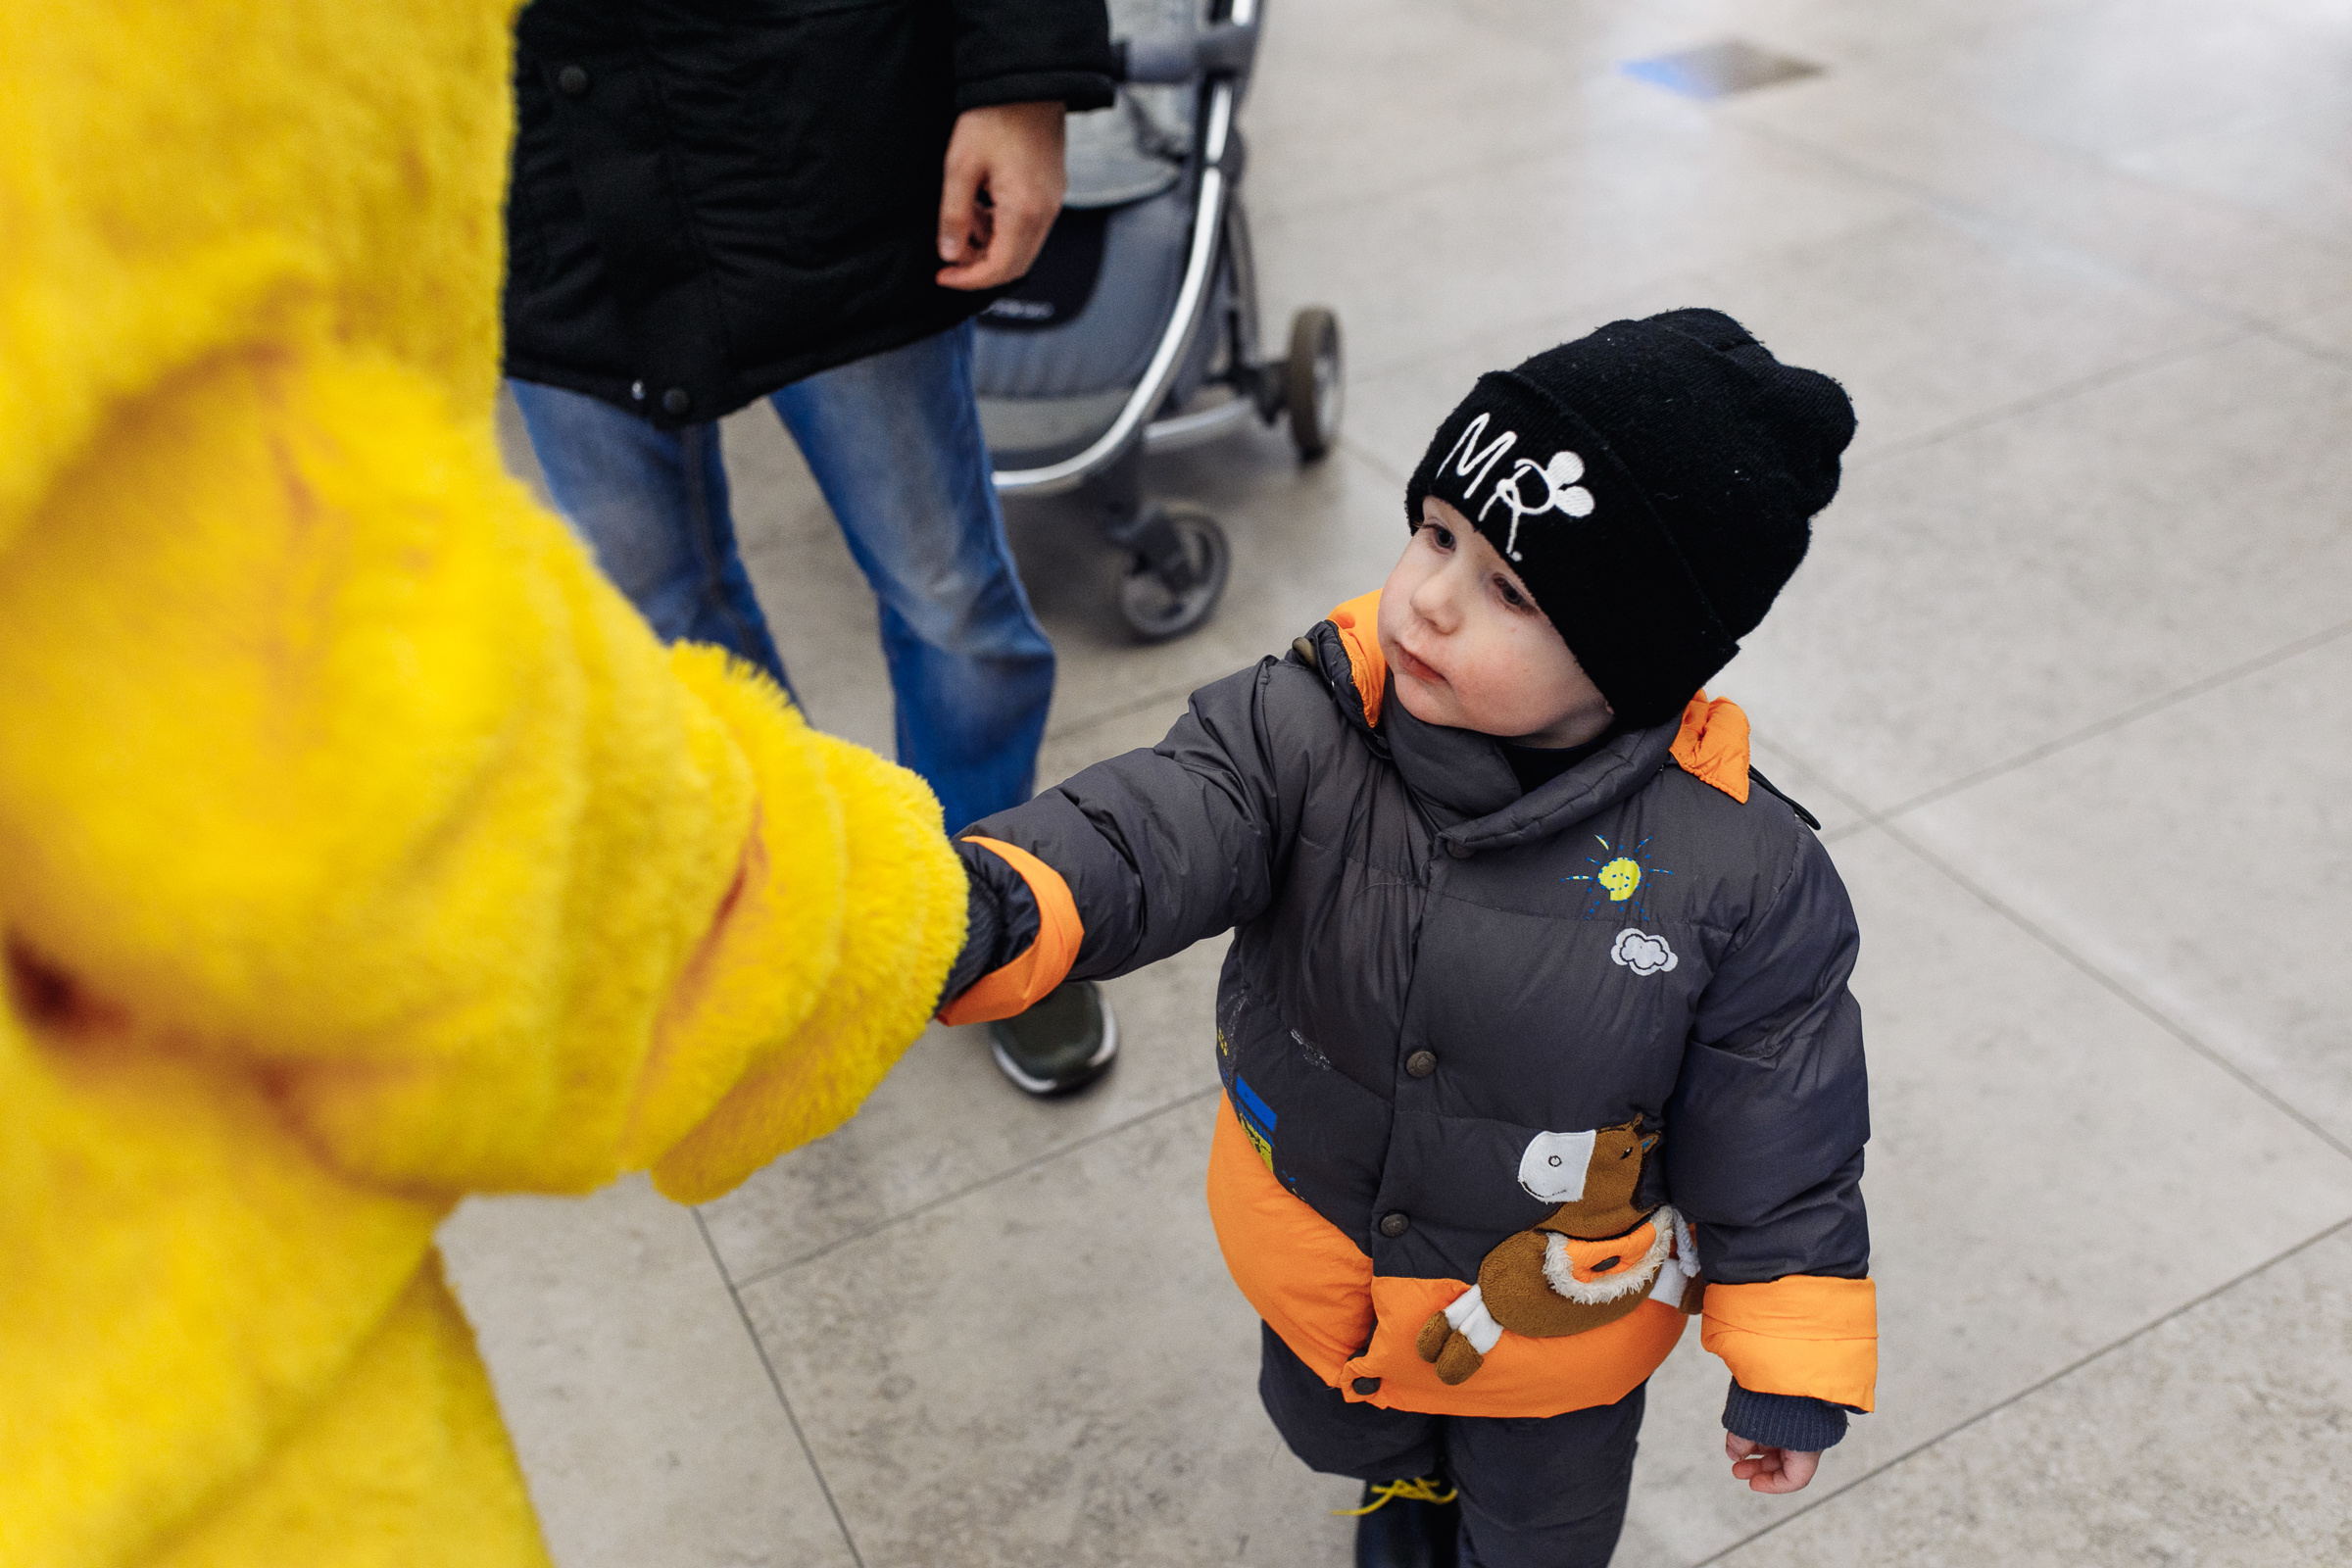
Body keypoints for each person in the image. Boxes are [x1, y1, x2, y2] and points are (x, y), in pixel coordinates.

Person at [3, 4, 974, 1564]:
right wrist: (850, 906)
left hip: (826, 173)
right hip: (181, 1457)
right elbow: (360, 782)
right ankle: (989, 912)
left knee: (949, 601)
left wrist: (1020, 66)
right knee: (712, 605)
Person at [934, 311, 1876, 1567]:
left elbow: (1784, 1137)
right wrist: (989, 899)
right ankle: (1401, 1493)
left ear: (1634, 655)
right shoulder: (1305, 720)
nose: (1426, 600)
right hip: (1324, 1255)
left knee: (1540, 1528)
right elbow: (1152, 824)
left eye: (1509, 591)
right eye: (1435, 533)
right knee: (1347, 1427)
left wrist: (1791, 1360)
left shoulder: (1743, 874)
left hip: (1553, 1336)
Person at [502, 0, 1122, 1097]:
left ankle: (986, 902)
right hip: (535, 185)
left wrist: (1021, 77)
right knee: (670, 631)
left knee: (950, 603)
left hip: (818, 134)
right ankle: (792, 912)